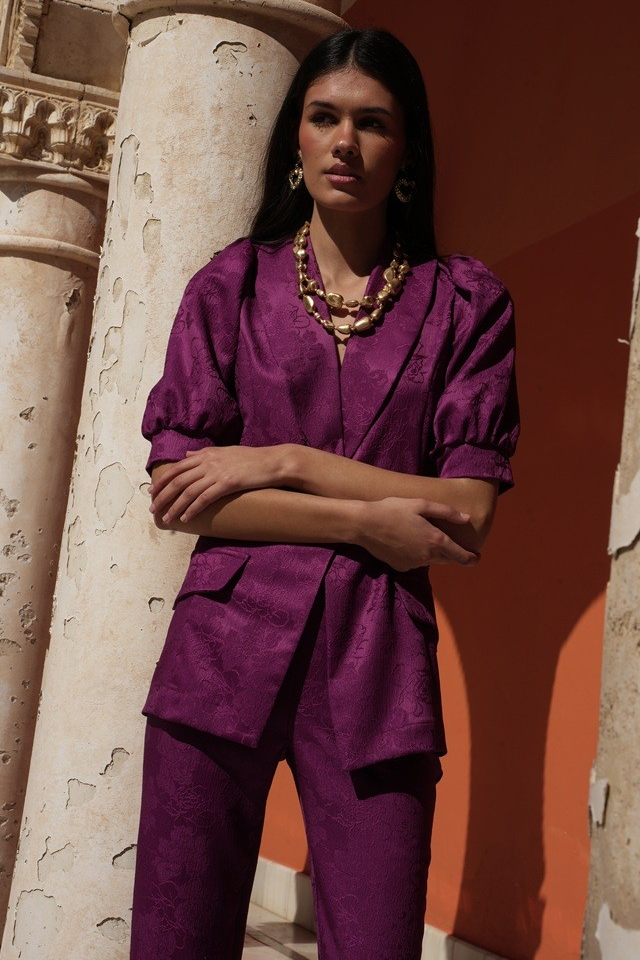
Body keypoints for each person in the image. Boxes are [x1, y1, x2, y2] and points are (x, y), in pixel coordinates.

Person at [131, 27, 519, 960]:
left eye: (373, 122)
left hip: (380, 661)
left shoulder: (467, 306)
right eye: (324, 117)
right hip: (219, 652)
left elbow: (466, 514)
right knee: (176, 937)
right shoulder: (229, 287)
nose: (346, 142)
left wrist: (282, 462)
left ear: (408, 151)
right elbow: (182, 495)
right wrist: (367, 520)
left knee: (378, 941)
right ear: (296, 141)